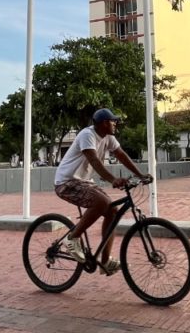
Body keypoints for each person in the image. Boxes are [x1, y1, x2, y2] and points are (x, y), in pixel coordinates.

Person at [54, 108, 149, 275]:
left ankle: (105, 262)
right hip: (66, 182)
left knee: (112, 211)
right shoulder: (87, 134)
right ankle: (72, 238)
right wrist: (113, 179)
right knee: (102, 202)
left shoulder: (108, 138)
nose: (116, 124)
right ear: (104, 123)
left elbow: (122, 155)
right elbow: (94, 160)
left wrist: (140, 175)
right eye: (113, 121)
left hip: (83, 182)